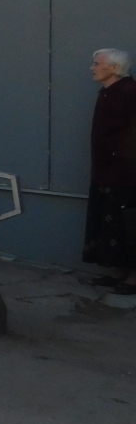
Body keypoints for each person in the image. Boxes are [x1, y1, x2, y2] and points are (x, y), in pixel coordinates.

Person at [82, 48, 136, 294]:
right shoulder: (108, 92)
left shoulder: (130, 92)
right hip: (106, 172)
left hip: (125, 174)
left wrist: (122, 158)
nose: (92, 68)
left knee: (127, 223)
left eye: (97, 63)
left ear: (113, 68)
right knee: (109, 223)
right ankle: (119, 271)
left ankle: (133, 277)